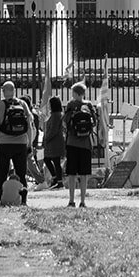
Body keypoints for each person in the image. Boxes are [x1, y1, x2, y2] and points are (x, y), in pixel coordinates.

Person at [0, 80, 34, 206]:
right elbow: (30, 126)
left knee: (1, 174)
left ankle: (1, 199)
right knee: (21, 173)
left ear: (3, 91)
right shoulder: (23, 104)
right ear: (14, 91)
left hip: (3, 143)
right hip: (20, 143)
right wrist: (29, 144)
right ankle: (23, 200)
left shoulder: (0, 105)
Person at [62, 80, 102, 209]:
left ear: (75, 93)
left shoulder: (70, 105)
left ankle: (71, 200)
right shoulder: (89, 105)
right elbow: (95, 122)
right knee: (84, 174)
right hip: (86, 144)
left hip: (72, 143)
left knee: (72, 173)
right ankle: (83, 201)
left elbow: (65, 123)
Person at [42, 95, 66, 189]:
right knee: (48, 159)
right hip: (53, 141)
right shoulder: (55, 114)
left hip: (54, 141)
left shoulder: (56, 115)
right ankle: (56, 178)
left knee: (55, 161)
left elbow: (54, 129)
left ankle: (59, 180)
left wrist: (47, 138)